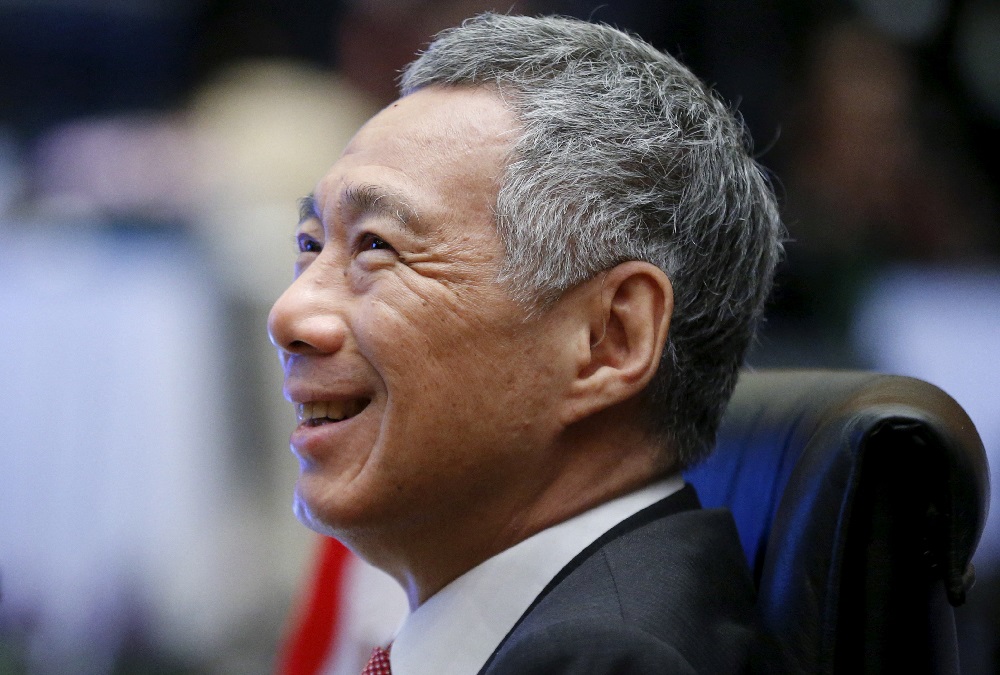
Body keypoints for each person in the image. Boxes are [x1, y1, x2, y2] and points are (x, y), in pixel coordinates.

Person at [267, 12, 783, 675]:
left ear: (608, 338)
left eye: (376, 246)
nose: (290, 311)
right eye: (309, 245)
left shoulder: (610, 663)